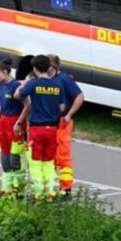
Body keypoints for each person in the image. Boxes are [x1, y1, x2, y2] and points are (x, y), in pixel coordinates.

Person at [14, 55, 65, 202]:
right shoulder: (57, 85)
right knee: (49, 162)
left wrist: (27, 82)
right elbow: (62, 107)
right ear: (49, 67)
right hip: (52, 129)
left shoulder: (34, 84)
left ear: (35, 68)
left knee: (36, 162)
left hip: (37, 128)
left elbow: (17, 95)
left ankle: (37, 194)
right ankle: (50, 193)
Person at [48, 55, 85, 199]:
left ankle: (66, 188)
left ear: (53, 67)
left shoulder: (64, 79)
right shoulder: (44, 79)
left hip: (62, 122)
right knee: (49, 156)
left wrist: (69, 114)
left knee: (63, 155)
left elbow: (79, 96)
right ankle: (50, 187)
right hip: (48, 123)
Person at [0, 59, 26, 197]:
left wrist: (19, 122)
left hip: (14, 122)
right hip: (3, 121)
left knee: (15, 158)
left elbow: (27, 105)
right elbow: (3, 101)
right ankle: (6, 189)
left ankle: (18, 189)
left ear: (5, 72)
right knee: (5, 157)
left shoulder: (15, 86)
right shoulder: (2, 85)